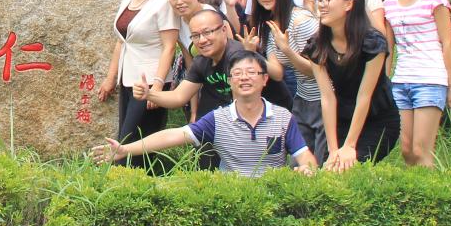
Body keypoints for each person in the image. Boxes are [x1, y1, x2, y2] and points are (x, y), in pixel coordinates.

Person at [93, 52, 317, 177]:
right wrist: (126, 150)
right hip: (230, 199)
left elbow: (304, 155)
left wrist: (308, 168)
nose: (244, 78)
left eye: (251, 73)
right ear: (230, 81)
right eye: (237, 73)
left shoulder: (282, 117)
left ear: (265, 79)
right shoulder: (218, 119)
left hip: (272, 198)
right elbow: (174, 135)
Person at [304, 0, 400, 172]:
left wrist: (349, 146)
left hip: (377, 119)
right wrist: (333, 149)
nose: (322, 5)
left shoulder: (372, 43)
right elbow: (327, 97)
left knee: (348, 168)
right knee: (329, 168)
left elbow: (364, 96)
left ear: (349, 4)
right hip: (341, 119)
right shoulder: (317, 45)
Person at [383, 0, 451, 168]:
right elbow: (389, 49)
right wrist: (384, 84)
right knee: (406, 150)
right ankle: (416, 189)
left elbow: (448, 43)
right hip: (401, 81)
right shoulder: (389, 4)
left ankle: (432, 189)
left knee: (421, 150)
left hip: (430, 80)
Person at [96, 0, 178, 168]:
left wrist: (157, 88)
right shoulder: (128, 1)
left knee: (136, 140)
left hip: (150, 82)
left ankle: (137, 182)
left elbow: (169, 47)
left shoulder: (164, 3)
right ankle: (125, 180)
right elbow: (121, 42)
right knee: (127, 136)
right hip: (128, 80)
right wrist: (111, 78)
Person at [242, 0, 323, 161]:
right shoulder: (272, 25)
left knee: (321, 163)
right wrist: (252, 53)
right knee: (299, 163)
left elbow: (317, 70)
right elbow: (277, 73)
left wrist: (287, 49)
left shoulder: (301, 20)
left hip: (324, 100)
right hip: (302, 100)